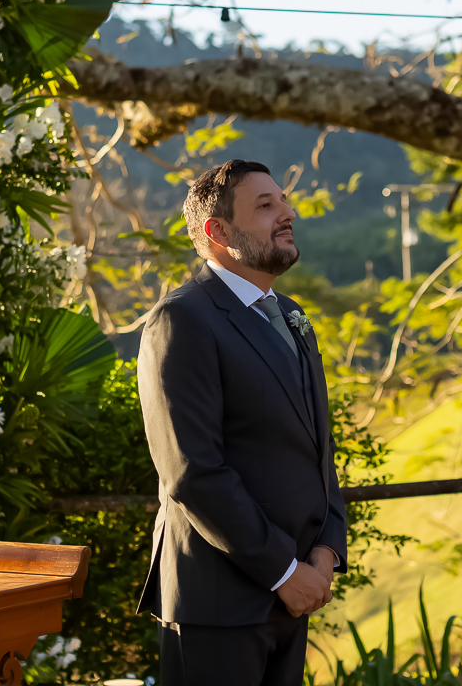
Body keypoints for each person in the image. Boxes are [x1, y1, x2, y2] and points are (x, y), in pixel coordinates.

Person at [136, 159, 349, 685]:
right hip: (219, 603)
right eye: (266, 205)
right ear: (219, 232)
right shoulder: (181, 319)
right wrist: (283, 571)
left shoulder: (292, 317)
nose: (287, 214)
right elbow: (191, 470)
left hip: (294, 596)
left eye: (283, 201)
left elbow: (317, 448)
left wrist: (326, 551)